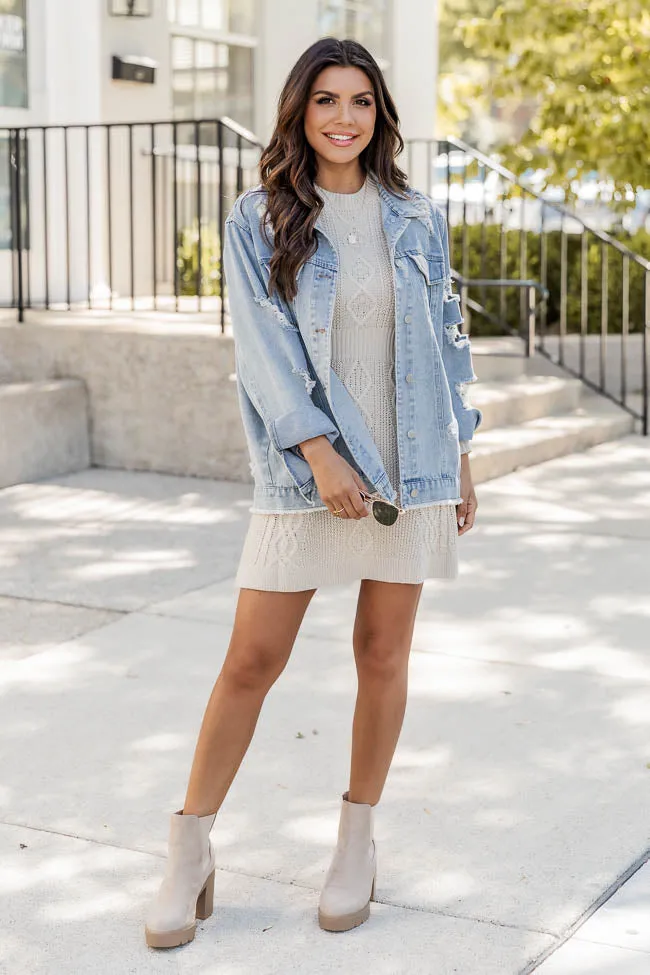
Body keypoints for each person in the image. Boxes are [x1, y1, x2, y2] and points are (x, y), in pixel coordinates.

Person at [145, 36, 481, 949]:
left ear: (381, 116)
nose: (344, 118)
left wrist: (461, 449)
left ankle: (356, 841)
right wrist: (320, 450)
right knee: (251, 659)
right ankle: (189, 848)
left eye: (361, 101)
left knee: (383, 654)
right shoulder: (259, 217)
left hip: (412, 468)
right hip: (305, 475)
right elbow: (258, 349)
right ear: (299, 110)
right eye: (327, 100)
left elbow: (448, 339)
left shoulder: (415, 217)